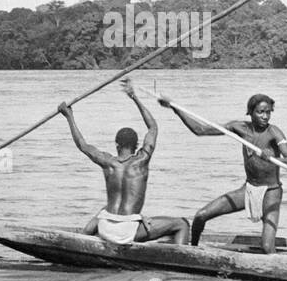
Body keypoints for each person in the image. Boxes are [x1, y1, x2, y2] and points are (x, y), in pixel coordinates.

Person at [160, 92, 287, 252]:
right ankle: (193, 251)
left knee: (267, 247)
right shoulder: (239, 128)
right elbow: (200, 130)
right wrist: (175, 108)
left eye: (268, 112)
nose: (265, 116)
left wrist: (272, 159)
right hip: (248, 189)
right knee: (200, 216)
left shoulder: (274, 132)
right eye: (261, 112)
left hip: (271, 192)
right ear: (251, 112)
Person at [57, 79, 190, 245]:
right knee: (182, 224)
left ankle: (87, 234)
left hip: (105, 227)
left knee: (105, 209)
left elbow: (82, 145)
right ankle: (182, 259)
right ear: (135, 146)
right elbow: (153, 128)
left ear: (117, 145)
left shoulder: (107, 162)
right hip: (127, 231)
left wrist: (69, 116)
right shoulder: (142, 159)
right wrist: (134, 97)